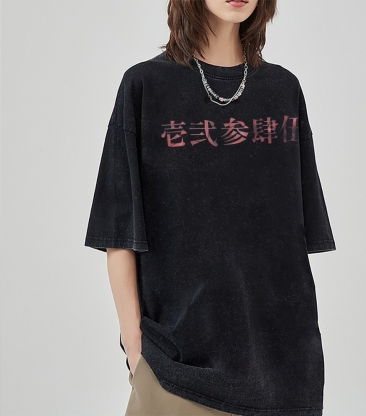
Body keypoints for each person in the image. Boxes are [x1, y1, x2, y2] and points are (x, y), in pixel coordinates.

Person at [84, 0, 337, 415]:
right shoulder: (145, 86)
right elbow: (119, 232)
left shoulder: (282, 91)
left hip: (285, 373)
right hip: (177, 371)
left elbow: (289, 243)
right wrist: (135, 348)